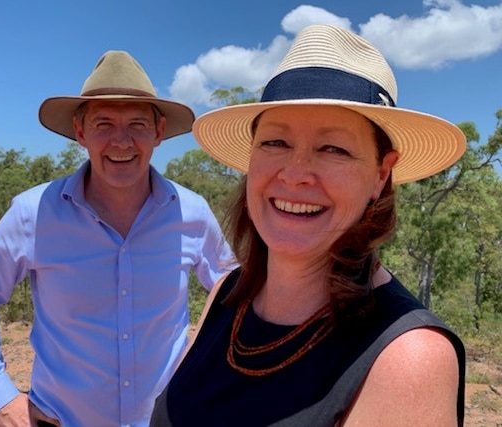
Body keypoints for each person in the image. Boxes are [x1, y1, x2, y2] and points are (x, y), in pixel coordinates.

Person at [151, 24, 466, 427]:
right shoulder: (226, 295)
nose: (295, 174)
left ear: (380, 175)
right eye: (275, 143)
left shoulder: (407, 357)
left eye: (333, 148)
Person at [0, 50, 235, 427]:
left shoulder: (192, 213)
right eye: (103, 124)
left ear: (159, 132)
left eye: (137, 124)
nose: (121, 141)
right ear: (80, 133)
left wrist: (205, 369)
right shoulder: (34, 213)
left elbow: (235, 292)